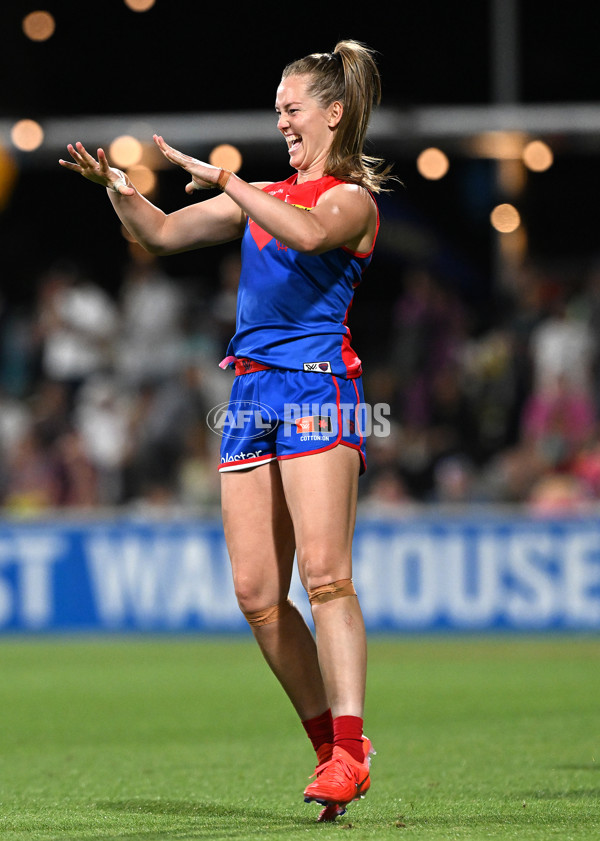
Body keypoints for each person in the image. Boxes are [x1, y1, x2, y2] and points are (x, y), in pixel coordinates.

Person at [59, 39, 394, 821]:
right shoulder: (265, 194)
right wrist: (116, 186)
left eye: (291, 107)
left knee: (326, 575)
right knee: (255, 594)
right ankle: (329, 752)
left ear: (333, 113)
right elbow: (162, 233)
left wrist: (233, 183)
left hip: (317, 390)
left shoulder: (349, 200)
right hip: (250, 395)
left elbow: (309, 236)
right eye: (276, 109)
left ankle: (352, 747)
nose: (280, 120)